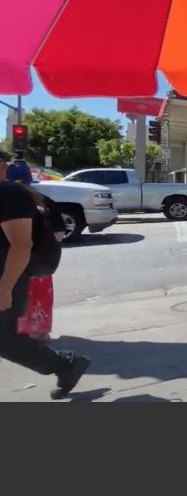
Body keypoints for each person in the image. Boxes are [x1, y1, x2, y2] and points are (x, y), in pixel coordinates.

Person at [0, 153, 90, 400]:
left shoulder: (9, 194)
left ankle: (66, 365)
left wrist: (5, 288)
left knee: (4, 339)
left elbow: (21, 245)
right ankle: (65, 365)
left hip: (9, 276)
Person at [6, 158, 65, 341]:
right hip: (41, 262)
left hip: (13, 262)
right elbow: (59, 234)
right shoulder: (44, 202)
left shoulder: (7, 200)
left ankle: (14, 335)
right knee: (39, 299)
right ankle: (39, 332)